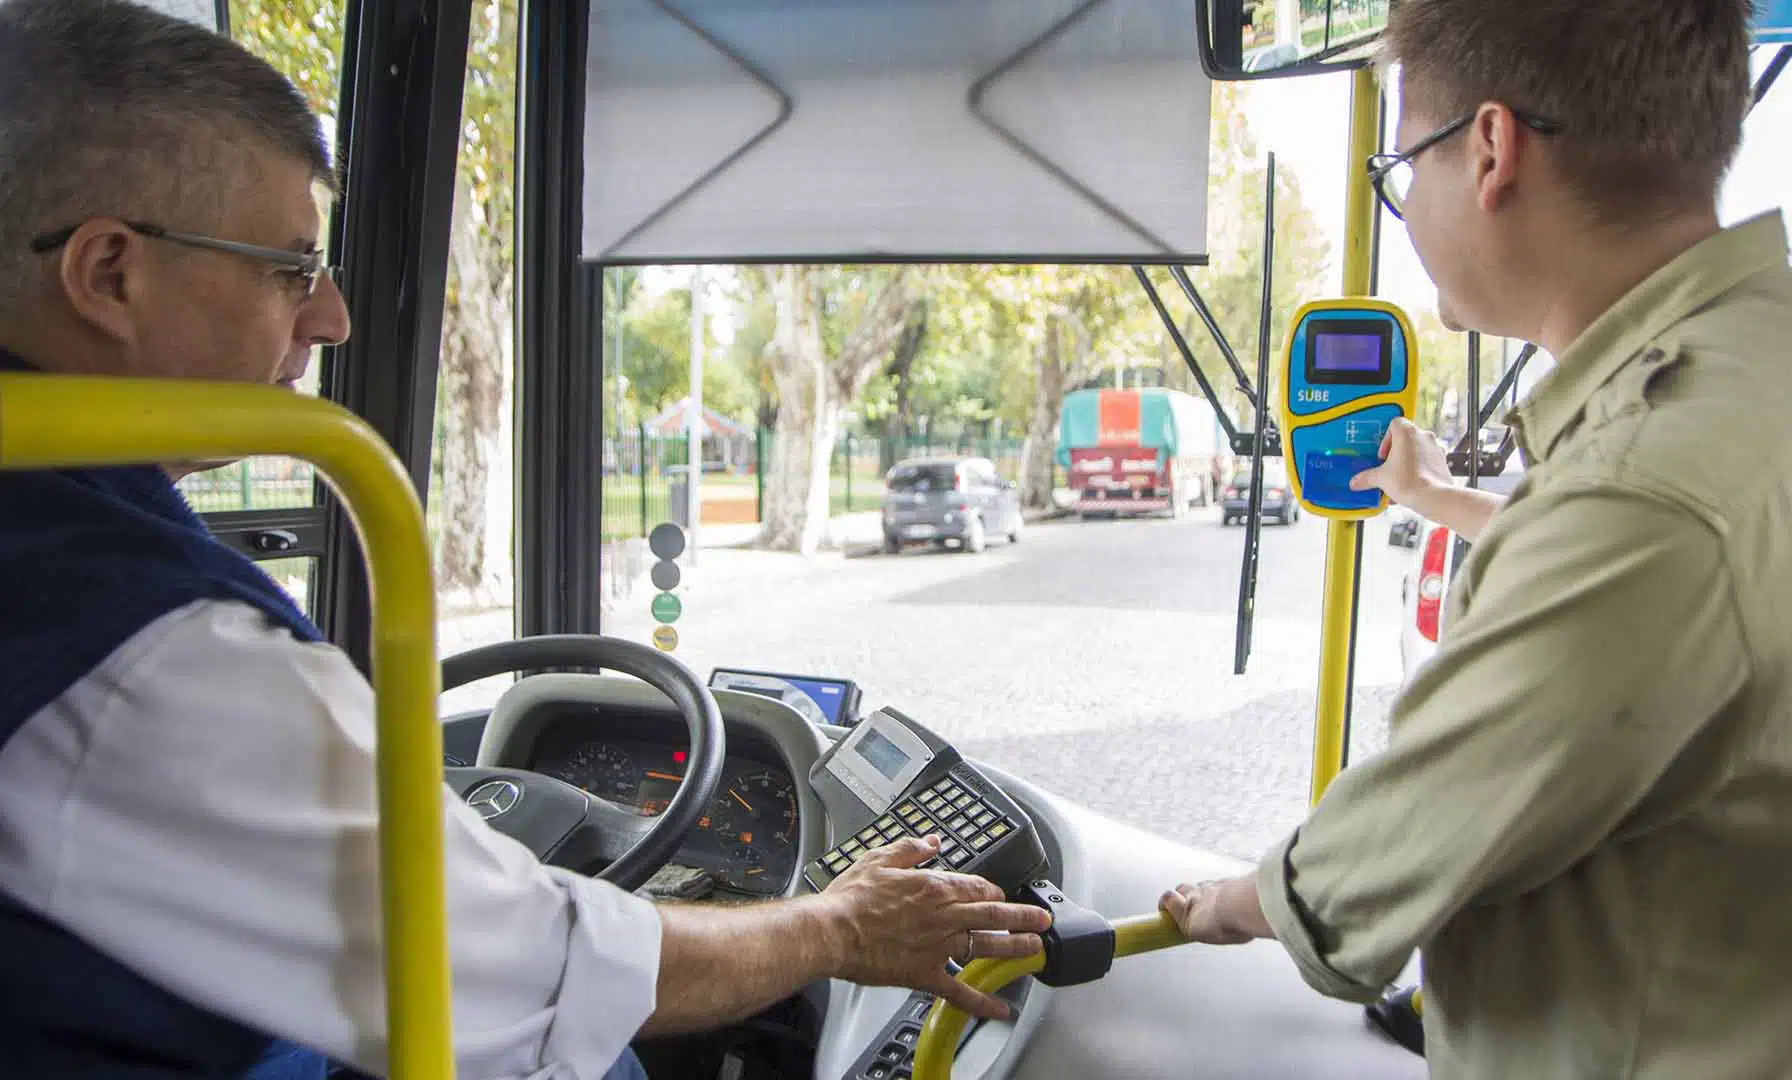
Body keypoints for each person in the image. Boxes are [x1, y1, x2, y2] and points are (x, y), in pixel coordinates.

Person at [0, 2, 1049, 1078]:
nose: (333, 320)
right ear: (109, 274)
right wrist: (839, 929)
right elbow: (530, 972)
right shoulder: (141, 651)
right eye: (291, 268)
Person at [1161, 1, 1792, 1077]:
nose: (1408, 207)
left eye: (1402, 167)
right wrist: (1436, 499)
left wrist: (1229, 906)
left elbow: (1400, 837)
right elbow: (1670, 601)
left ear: (1489, 148)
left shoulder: (1647, 496)